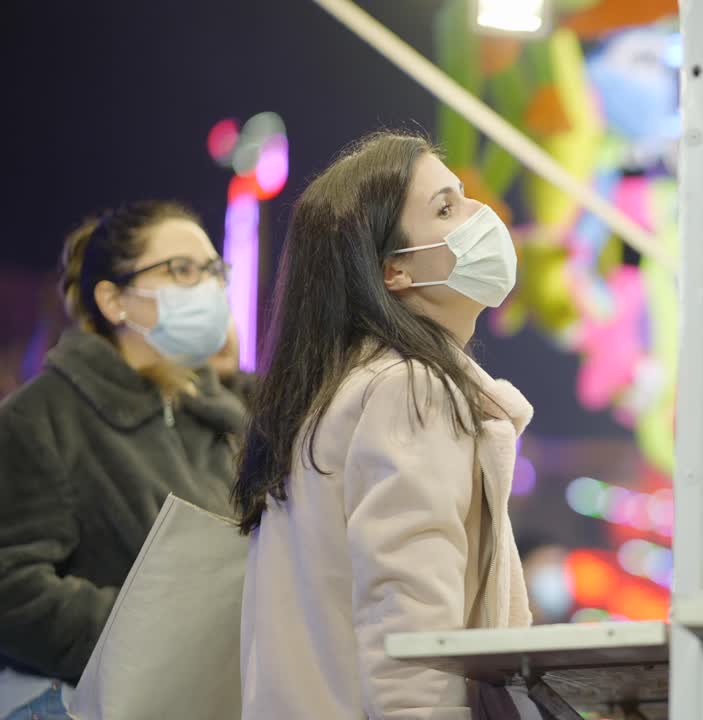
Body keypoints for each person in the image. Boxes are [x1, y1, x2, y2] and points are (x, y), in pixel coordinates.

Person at [232, 131, 536, 718]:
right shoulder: (409, 389)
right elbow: (413, 629)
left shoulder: (338, 393)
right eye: (446, 208)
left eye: (463, 196)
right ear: (395, 271)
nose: (481, 213)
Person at [0, 202, 246, 719]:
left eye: (213, 271)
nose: (208, 287)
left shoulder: (225, 415)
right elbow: (13, 589)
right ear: (113, 300)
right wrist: (151, 632)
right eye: (181, 270)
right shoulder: (42, 417)